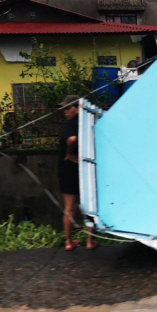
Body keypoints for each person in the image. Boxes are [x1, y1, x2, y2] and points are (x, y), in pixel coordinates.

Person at [58, 95, 96, 251]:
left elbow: (72, 139)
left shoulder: (71, 124)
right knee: (89, 204)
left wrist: (68, 153)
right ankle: (89, 241)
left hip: (69, 168)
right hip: (85, 167)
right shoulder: (88, 122)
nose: (65, 111)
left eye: (68, 108)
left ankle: (68, 242)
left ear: (77, 108)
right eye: (64, 108)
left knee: (69, 207)